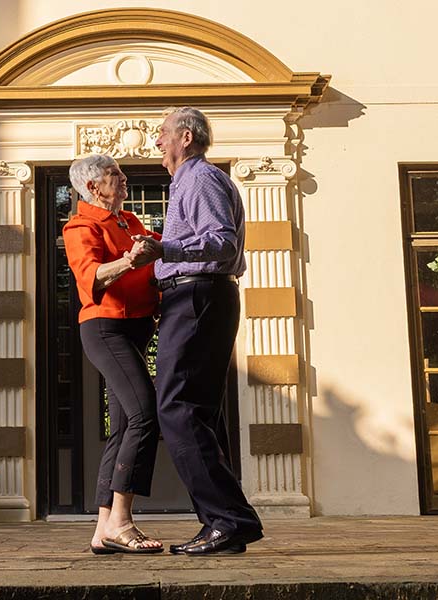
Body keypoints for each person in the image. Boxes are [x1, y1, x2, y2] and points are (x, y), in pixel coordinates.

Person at [131, 107, 264, 555]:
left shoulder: (200, 179)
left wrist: (163, 248)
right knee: (199, 413)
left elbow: (221, 240)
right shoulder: (190, 181)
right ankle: (224, 523)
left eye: (162, 134)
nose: (157, 142)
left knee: (177, 408)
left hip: (199, 296)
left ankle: (228, 518)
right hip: (198, 297)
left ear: (185, 137)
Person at [63, 154, 163, 555]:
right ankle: (122, 521)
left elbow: (150, 264)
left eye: (121, 173)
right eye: (114, 175)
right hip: (106, 328)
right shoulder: (80, 226)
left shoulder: (129, 222)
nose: (123, 178)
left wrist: (152, 249)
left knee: (124, 427)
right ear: (93, 188)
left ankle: (103, 528)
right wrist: (127, 259)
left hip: (138, 328)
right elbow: (90, 277)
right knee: (145, 414)